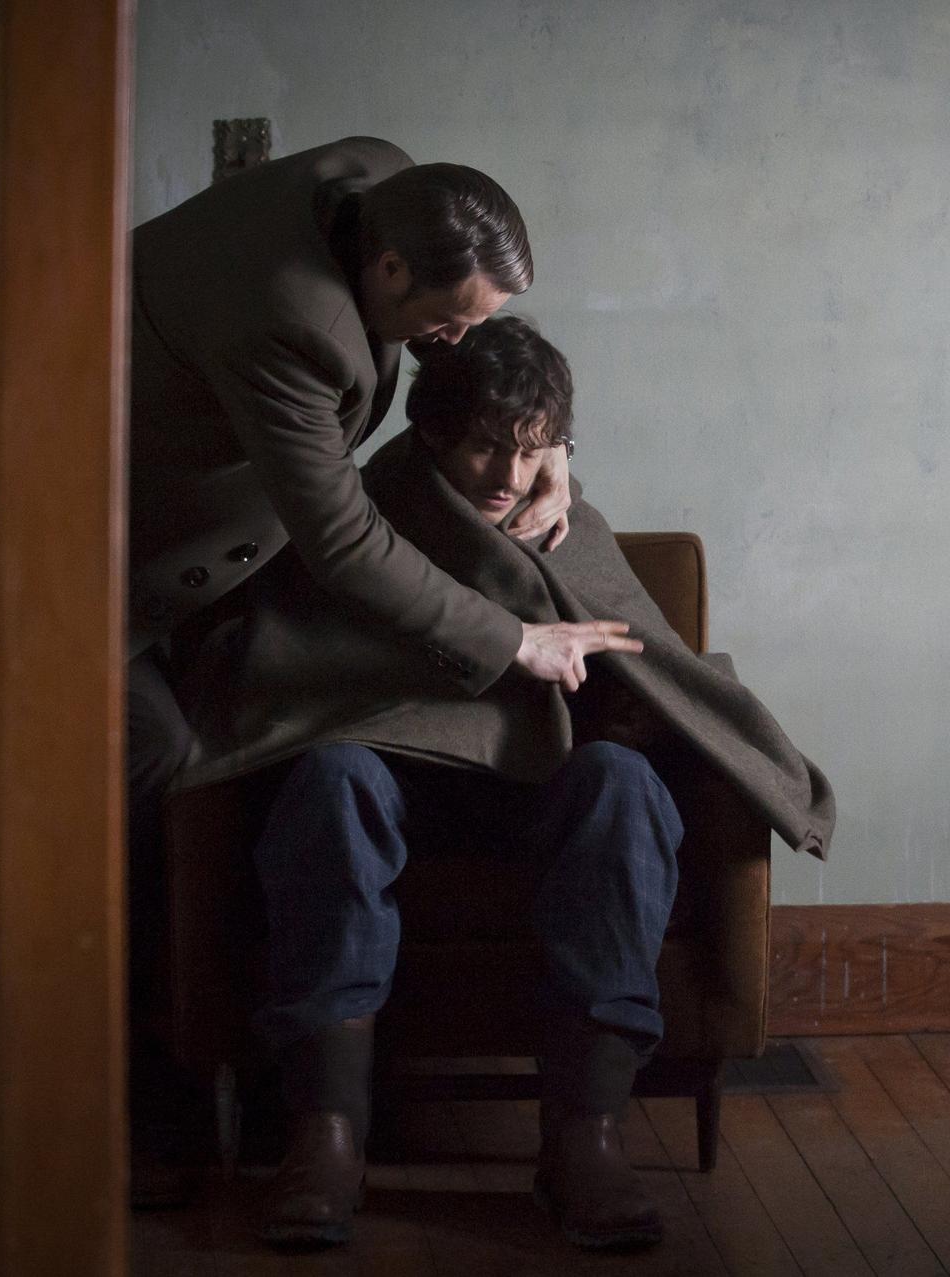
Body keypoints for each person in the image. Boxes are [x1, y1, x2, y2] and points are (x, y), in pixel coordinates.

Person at [123, 137, 629, 1196]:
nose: (456, 342)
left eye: (479, 321)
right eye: (449, 324)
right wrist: (515, 641)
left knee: (625, 787)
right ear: (388, 272)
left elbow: (471, 359)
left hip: (223, 555)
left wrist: (551, 443)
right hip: (110, 553)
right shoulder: (284, 318)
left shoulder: (382, 185)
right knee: (169, 757)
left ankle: (585, 1137)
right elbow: (344, 544)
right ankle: (147, 1086)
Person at [248, 317, 672, 1251]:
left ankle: (587, 1138)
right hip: (393, 777)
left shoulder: (567, 521)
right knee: (330, 776)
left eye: (531, 448)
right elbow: (301, 662)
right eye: (484, 445)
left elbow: (647, 671)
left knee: (624, 782)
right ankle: (327, 1134)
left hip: (534, 782)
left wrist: (614, 705)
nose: (507, 475)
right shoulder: (365, 517)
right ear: (433, 431)